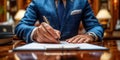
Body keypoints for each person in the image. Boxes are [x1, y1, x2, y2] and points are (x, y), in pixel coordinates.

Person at [15, 0, 104, 43]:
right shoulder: (37, 2)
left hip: (73, 52)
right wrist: (35, 33)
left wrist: (91, 35)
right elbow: (20, 26)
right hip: (44, 54)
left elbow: (96, 27)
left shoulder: (82, 2)